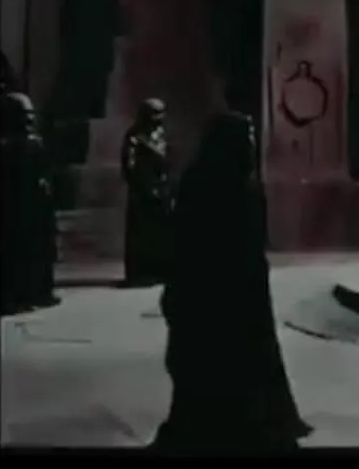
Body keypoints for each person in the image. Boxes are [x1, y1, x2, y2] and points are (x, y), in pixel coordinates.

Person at [152, 112, 312, 452]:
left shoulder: (203, 183)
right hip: (224, 298)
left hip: (217, 296)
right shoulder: (235, 191)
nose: (252, 146)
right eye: (247, 139)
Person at [0, 92, 60, 314]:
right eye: (25, 114)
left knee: (39, 251)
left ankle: (37, 292)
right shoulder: (7, 146)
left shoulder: (34, 143)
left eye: (31, 114)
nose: (30, 119)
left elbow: (44, 174)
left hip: (36, 208)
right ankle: (17, 296)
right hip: (16, 209)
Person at [120, 98, 173, 287]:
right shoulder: (134, 137)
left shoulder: (160, 134)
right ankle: (139, 272)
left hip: (161, 191)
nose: (159, 119)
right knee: (141, 235)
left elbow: (167, 162)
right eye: (155, 115)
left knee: (161, 234)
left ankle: (159, 270)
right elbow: (129, 166)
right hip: (143, 193)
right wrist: (143, 186)